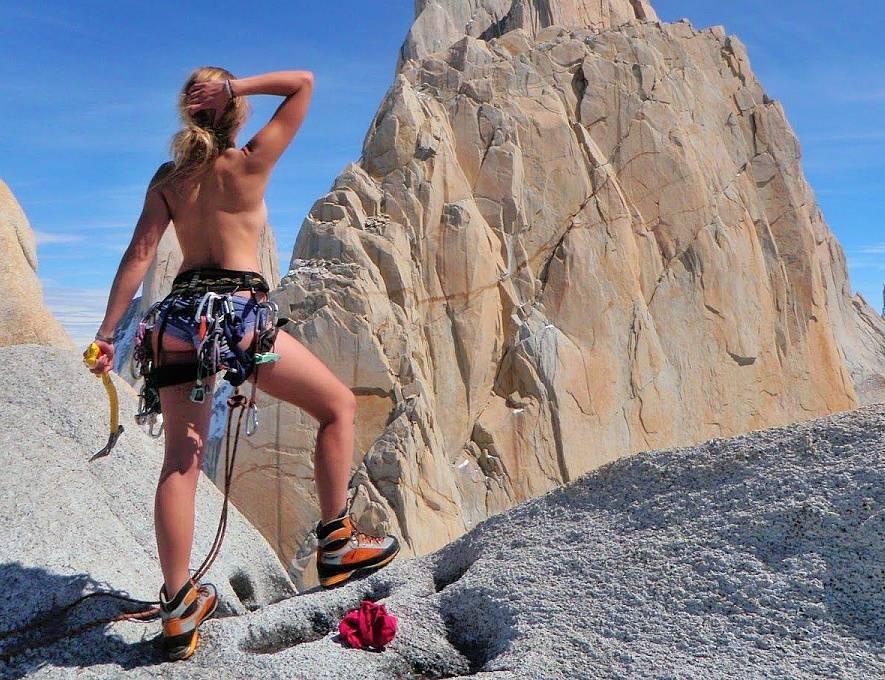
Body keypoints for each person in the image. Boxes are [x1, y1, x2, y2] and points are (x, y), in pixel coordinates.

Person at [86, 67, 399, 661]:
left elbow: (140, 255)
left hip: (177, 321)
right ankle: (337, 541)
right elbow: (306, 82)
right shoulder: (252, 161)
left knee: (181, 460)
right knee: (336, 406)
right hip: (238, 316)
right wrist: (240, 85)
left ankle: (179, 606)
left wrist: (106, 335)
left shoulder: (168, 179)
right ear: (232, 112)